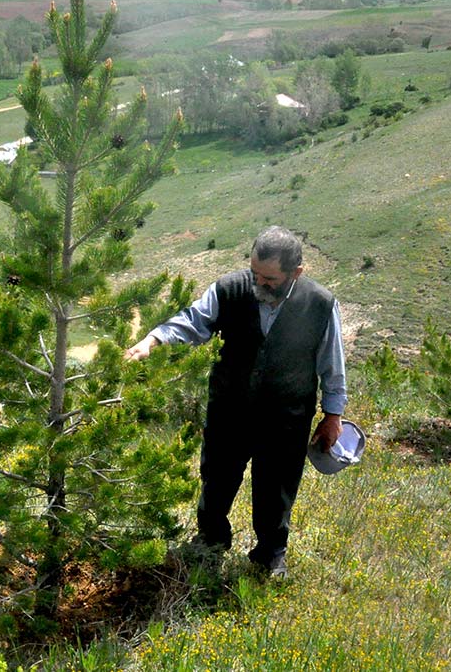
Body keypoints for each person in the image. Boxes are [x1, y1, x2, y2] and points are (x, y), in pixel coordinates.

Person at [124, 226, 346, 578]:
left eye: (270, 278)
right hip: (230, 409)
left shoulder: (320, 304)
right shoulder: (230, 289)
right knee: (217, 477)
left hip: (286, 416)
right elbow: (193, 322)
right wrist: (153, 340)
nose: (259, 283)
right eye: (255, 273)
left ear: (296, 273)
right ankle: (211, 540)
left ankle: (271, 555)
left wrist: (332, 416)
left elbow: (332, 366)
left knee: (277, 487)